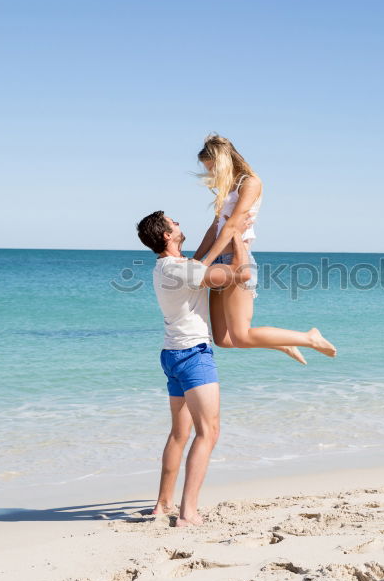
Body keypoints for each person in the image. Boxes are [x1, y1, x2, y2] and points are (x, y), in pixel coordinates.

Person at [136, 210, 251, 527]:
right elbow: (241, 273)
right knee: (208, 432)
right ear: (166, 236)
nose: (178, 224)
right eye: (174, 223)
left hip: (172, 355)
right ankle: (187, 513)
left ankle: (162, 505)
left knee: (180, 433)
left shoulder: (167, 267)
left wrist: (222, 224)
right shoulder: (184, 271)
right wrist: (237, 235)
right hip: (193, 355)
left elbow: (201, 256)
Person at [192, 134, 336, 363]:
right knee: (222, 339)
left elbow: (231, 226)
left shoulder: (250, 182)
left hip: (235, 259)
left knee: (242, 336)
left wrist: (205, 264)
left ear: (225, 161)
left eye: (213, 169)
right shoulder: (227, 187)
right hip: (219, 260)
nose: (212, 175)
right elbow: (215, 228)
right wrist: (195, 261)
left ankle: (309, 337)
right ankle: (283, 344)